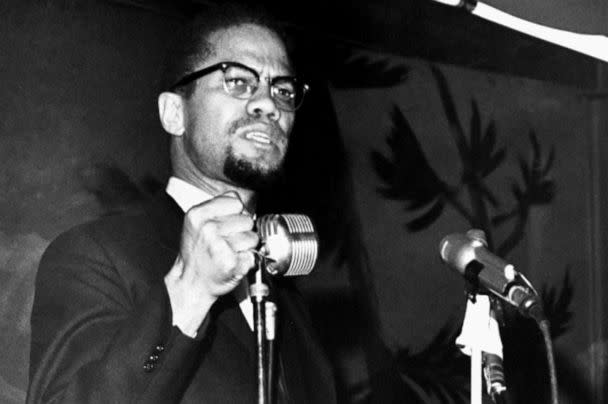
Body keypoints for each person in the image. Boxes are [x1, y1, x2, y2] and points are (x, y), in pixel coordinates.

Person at [27, 4, 337, 403]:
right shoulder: (95, 254)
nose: (269, 105)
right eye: (238, 82)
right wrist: (189, 293)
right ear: (175, 113)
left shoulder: (290, 303)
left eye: (283, 90)